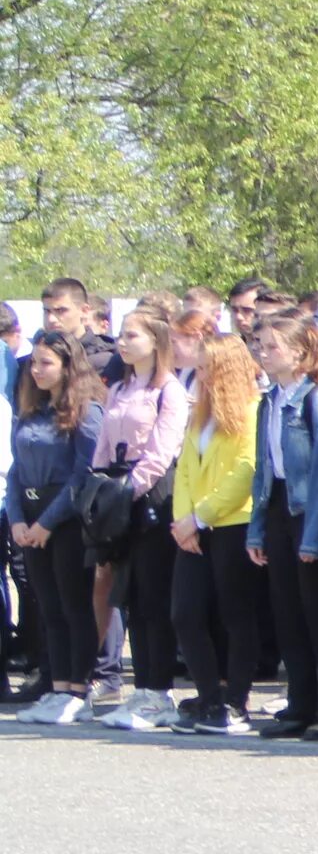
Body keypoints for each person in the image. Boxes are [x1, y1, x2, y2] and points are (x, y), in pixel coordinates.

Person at [246, 314, 318, 739]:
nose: (263, 353)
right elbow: (263, 468)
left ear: (300, 353)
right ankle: (300, 704)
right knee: (287, 614)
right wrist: (256, 528)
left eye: (272, 347)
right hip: (279, 511)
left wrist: (317, 534)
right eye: (260, 345)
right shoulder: (270, 400)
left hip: (311, 513)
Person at [90, 310, 189, 730]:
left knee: (153, 596)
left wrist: (129, 489)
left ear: (155, 340)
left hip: (152, 496)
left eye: (133, 336)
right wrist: (98, 487)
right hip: (118, 493)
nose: (123, 343)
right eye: (121, 336)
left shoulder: (169, 390)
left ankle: (158, 691)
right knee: (129, 595)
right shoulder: (121, 388)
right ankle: (143, 688)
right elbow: (104, 442)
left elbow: (163, 452)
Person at [167, 335, 263, 735]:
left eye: (208, 367)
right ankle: (208, 696)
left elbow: (245, 470)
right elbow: (186, 467)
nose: (201, 374)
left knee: (236, 615)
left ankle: (235, 701)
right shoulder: (200, 413)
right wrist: (183, 520)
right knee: (185, 613)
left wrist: (201, 516)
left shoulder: (253, 409)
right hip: (192, 528)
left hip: (231, 523)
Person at [7, 333, 104, 723]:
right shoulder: (32, 409)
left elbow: (83, 474)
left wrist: (48, 522)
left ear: (67, 366)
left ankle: (79, 690)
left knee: (73, 606)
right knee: (49, 608)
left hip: (65, 518)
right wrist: (17, 518)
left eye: (45, 363)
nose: (36, 370)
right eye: (34, 363)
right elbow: (15, 469)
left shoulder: (85, 409)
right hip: (29, 515)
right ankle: (58, 686)